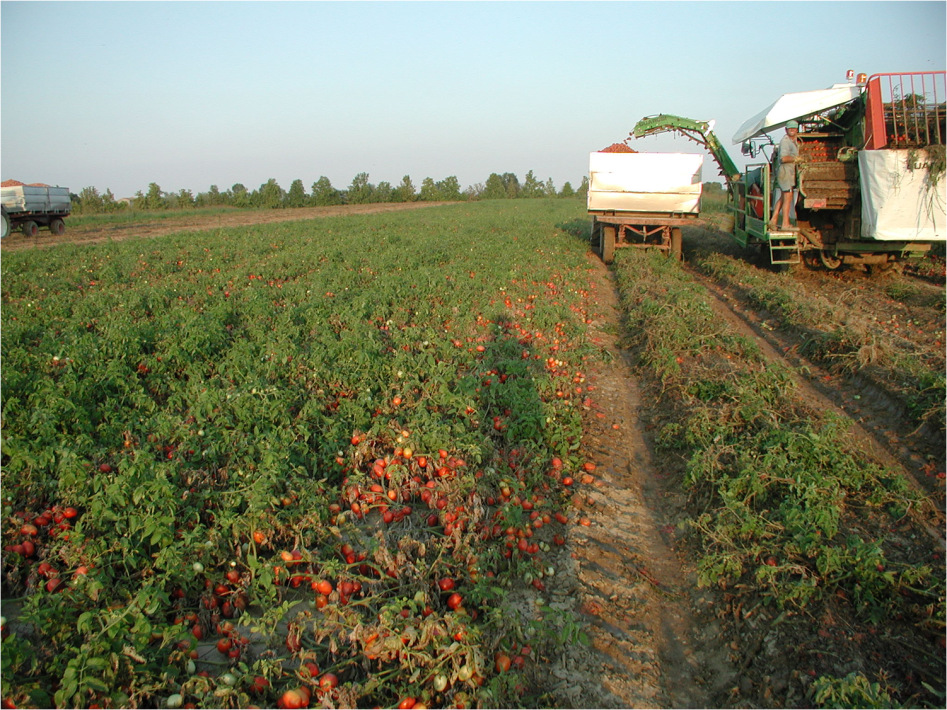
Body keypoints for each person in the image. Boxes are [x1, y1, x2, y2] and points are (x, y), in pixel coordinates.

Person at [769, 120, 800, 231]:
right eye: (790, 129)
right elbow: (783, 158)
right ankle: (785, 224)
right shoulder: (785, 141)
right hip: (785, 172)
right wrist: (796, 159)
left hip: (789, 172)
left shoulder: (793, 141)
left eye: (794, 128)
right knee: (788, 197)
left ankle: (773, 220)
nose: (792, 130)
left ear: (797, 129)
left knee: (783, 196)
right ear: (786, 130)